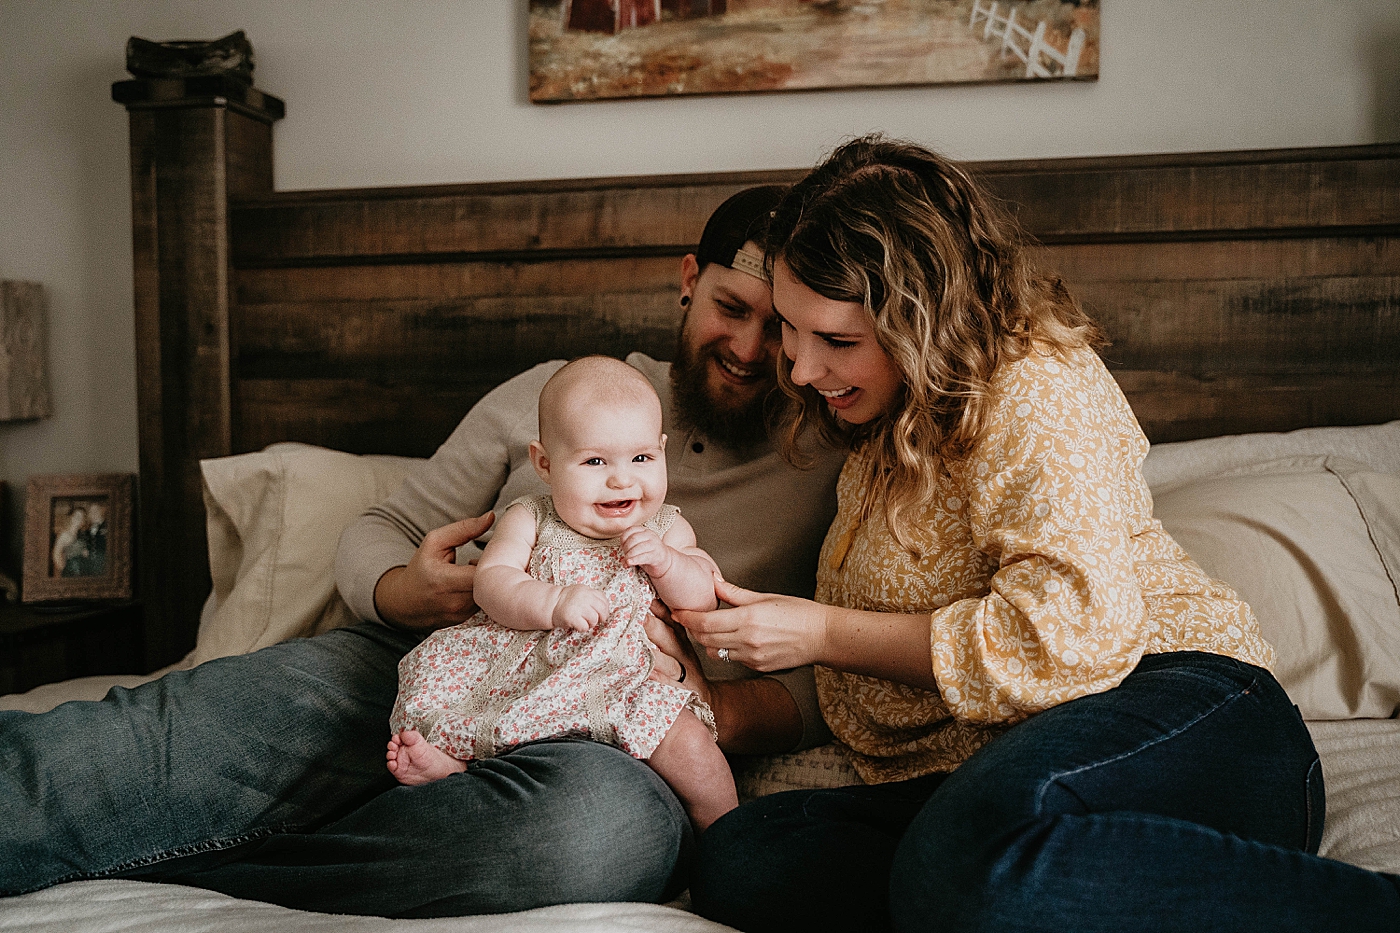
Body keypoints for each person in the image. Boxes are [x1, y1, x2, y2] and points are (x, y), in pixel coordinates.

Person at [0, 186, 847, 916]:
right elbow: (383, 528)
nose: (747, 348)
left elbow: (835, 666)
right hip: (434, 666)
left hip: (616, 738)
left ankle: (210, 872)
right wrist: (415, 591)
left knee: (583, 839)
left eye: (778, 328)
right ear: (690, 281)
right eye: (731, 309)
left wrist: (723, 713)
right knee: (157, 740)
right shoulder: (549, 394)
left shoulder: (830, 458)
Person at [678, 137, 1400, 932]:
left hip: (1181, 710)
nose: (802, 369)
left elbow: (1067, 640)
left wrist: (821, 630)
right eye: (791, 327)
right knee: (744, 857)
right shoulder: (884, 425)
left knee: (962, 862)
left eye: (839, 341)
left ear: (924, 318)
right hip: (996, 771)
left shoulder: (1032, 384)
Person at [387, 355, 737, 831]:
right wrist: (553, 602)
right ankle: (455, 769)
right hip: (530, 669)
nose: (621, 478)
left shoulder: (666, 527)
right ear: (545, 464)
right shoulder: (530, 517)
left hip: (624, 680)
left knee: (695, 750)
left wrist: (668, 563)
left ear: (662, 450)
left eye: (642, 458)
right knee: (459, 704)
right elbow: (492, 583)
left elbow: (702, 598)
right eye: (595, 461)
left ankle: (724, 834)